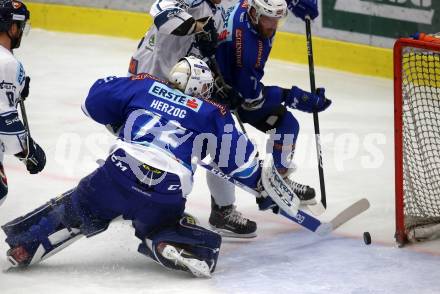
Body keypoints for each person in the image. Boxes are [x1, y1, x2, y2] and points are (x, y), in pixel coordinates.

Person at [2, 57, 301, 278]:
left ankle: (25, 245)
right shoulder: (214, 112)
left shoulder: (145, 85)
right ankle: (165, 241)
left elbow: (93, 101)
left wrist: (124, 118)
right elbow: (242, 165)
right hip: (167, 189)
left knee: (75, 209)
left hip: (118, 173)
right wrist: (263, 186)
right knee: (171, 224)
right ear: (202, 89)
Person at [128, 0, 257, 238]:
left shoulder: (218, 12)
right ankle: (138, 200)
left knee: (209, 138)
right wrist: (198, 27)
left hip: (178, 85)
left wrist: (219, 84)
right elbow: (162, 14)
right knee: (154, 147)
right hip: (148, 82)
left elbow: (200, 57)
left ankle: (222, 210)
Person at [212, 0, 330, 213]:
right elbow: (251, 99)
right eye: (268, 19)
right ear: (255, 14)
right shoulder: (247, 47)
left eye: (278, 19)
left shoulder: (254, 11)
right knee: (225, 148)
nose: (273, 25)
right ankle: (226, 209)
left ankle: (277, 180)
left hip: (230, 79)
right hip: (221, 92)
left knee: (286, 125)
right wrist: (294, 97)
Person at [0, 0, 46, 206]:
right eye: (20, 27)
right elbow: (4, 119)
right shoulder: (8, 63)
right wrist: (28, 151)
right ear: (11, 28)